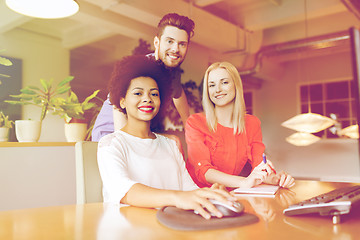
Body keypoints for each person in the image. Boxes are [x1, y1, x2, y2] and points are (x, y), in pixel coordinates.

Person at [97, 55, 237, 220]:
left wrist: (208, 193)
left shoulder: (170, 144)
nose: (147, 99)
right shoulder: (110, 144)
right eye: (138, 93)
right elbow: (125, 190)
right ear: (122, 101)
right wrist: (176, 198)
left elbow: (188, 189)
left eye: (154, 94)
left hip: (172, 228)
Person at [185, 61, 295, 189]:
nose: (218, 89)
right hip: (197, 194)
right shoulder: (195, 122)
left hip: (230, 195)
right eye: (212, 85)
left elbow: (259, 164)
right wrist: (243, 182)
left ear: (236, 85)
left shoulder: (252, 124)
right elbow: (203, 170)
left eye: (224, 82)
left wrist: (277, 179)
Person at [92, 13, 194, 141]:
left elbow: (178, 94)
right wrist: (127, 145)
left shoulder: (172, 72)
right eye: (170, 41)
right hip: (109, 137)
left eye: (182, 44)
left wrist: (190, 127)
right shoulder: (138, 68)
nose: (175, 49)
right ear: (157, 42)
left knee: (174, 141)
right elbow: (117, 105)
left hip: (138, 134)